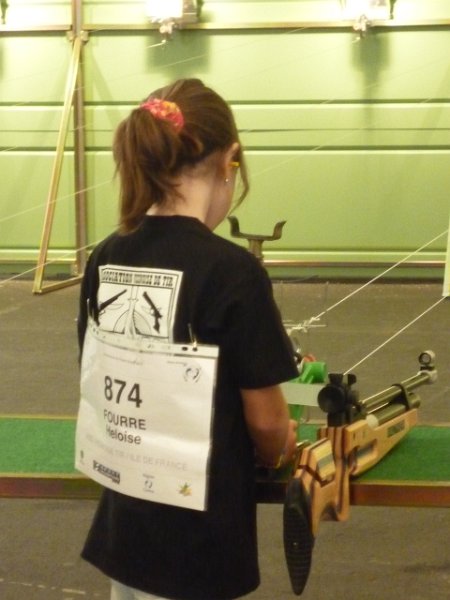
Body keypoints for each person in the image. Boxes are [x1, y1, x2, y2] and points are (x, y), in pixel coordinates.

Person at [77, 78, 299, 600]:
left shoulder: (107, 254)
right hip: (196, 548)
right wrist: (284, 445)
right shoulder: (232, 271)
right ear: (229, 160)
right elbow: (269, 424)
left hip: (126, 530)